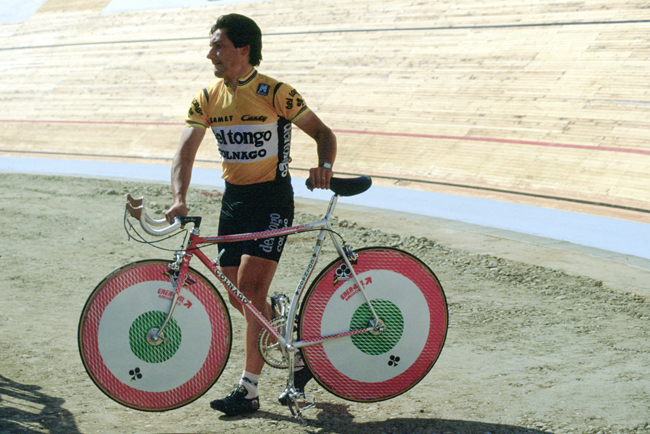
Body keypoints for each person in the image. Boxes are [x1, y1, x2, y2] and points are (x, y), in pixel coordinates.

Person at [164, 13, 337, 416]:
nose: (211, 54)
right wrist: (179, 198)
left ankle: (249, 390)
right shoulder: (207, 98)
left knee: (251, 289)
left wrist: (324, 166)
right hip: (234, 202)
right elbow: (184, 152)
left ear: (243, 49)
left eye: (218, 45)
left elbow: (324, 134)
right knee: (236, 292)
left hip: (272, 201)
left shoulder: (275, 92)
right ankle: (294, 354)